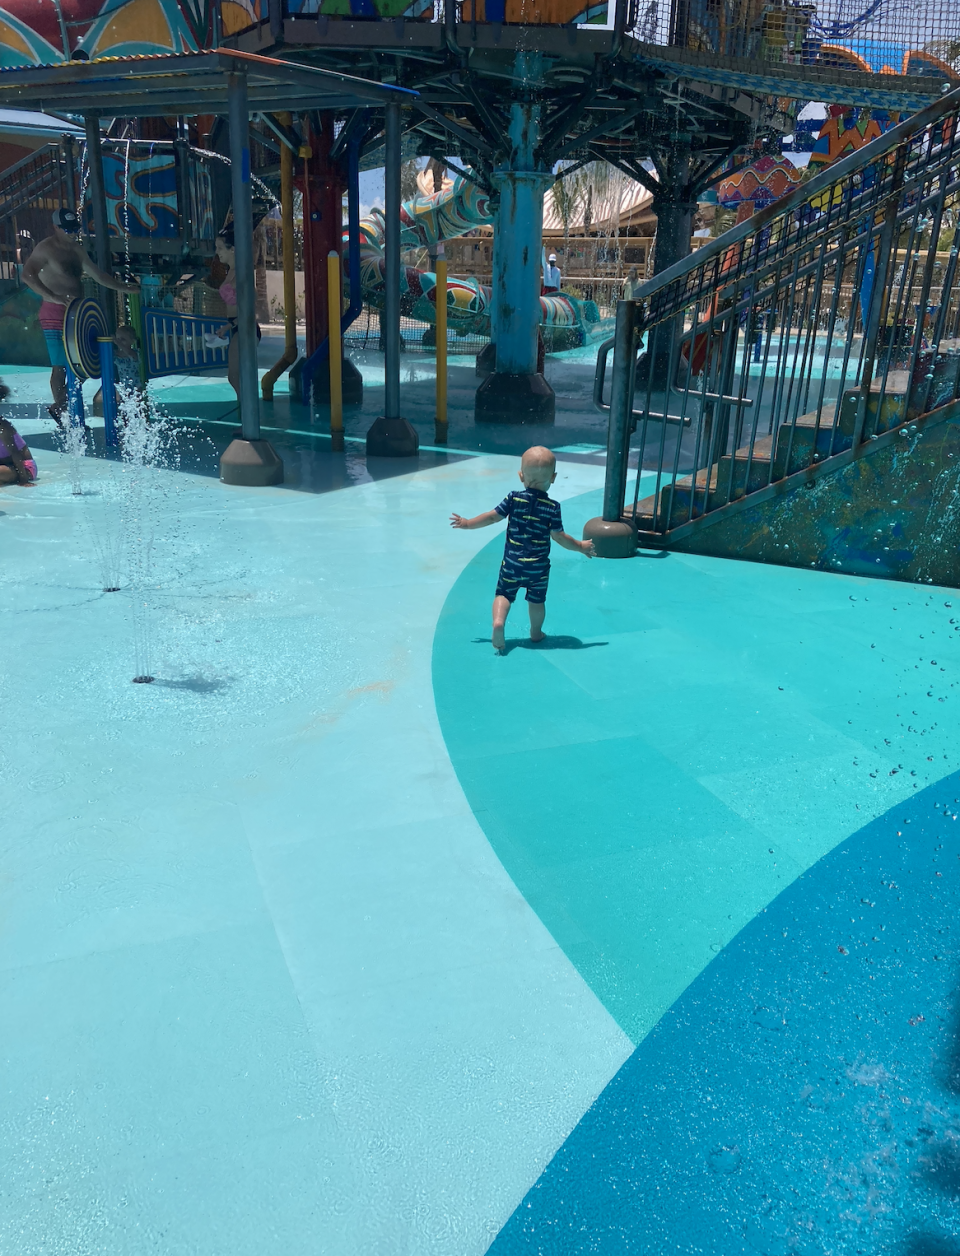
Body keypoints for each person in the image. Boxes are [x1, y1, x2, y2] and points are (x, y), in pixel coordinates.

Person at [450, 445, 595, 654]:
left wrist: (467, 523)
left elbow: (492, 517)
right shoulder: (552, 507)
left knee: (504, 594)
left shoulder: (513, 498)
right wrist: (581, 546)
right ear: (553, 478)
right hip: (538, 568)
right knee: (537, 601)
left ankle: (499, 622)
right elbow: (559, 537)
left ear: (521, 476)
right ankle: (536, 632)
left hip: (511, 564)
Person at [21, 209, 139, 423]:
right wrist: (52, 296)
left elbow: (98, 276)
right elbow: (27, 275)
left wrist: (124, 288)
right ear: (55, 227)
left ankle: (60, 406)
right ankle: (63, 411)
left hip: (77, 313)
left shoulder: (77, 249)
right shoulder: (45, 248)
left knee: (84, 364)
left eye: (74, 229)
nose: (72, 233)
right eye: (67, 229)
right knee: (60, 366)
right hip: (54, 313)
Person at [210, 225, 263, 402]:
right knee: (237, 377)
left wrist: (229, 325)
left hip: (245, 327)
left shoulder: (242, 272)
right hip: (237, 327)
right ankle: (247, 419)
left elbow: (252, 307)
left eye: (220, 248)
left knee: (235, 377)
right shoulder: (230, 271)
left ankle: (250, 419)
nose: (217, 252)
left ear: (232, 249)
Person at [0, 382, 37, 486]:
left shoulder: (3, 426)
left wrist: (24, 480)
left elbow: (15, 454)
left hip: (24, 468)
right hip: (5, 465)